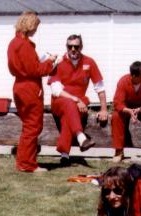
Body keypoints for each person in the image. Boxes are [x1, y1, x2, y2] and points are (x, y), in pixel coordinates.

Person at [7, 11, 57, 173]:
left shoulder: (14, 43)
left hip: (20, 86)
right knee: (33, 126)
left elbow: (25, 67)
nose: (36, 30)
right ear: (29, 25)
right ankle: (27, 164)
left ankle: (24, 161)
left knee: (28, 126)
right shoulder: (25, 45)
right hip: (29, 88)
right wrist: (51, 62)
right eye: (35, 26)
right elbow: (35, 70)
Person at [48, 34, 108, 166]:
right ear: (66, 47)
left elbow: (99, 87)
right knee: (70, 104)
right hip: (60, 100)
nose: (73, 49)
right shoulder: (58, 62)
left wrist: (104, 109)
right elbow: (56, 90)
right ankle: (81, 136)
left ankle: (64, 154)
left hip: (80, 102)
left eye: (76, 46)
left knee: (68, 116)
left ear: (81, 46)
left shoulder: (89, 62)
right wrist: (75, 99)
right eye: (70, 46)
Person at [112, 61, 141, 163]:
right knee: (116, 116)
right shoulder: (123, 81)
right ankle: (119, 151)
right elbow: (117, 102)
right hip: (127, 107)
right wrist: (128, 110)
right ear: (133, 76)